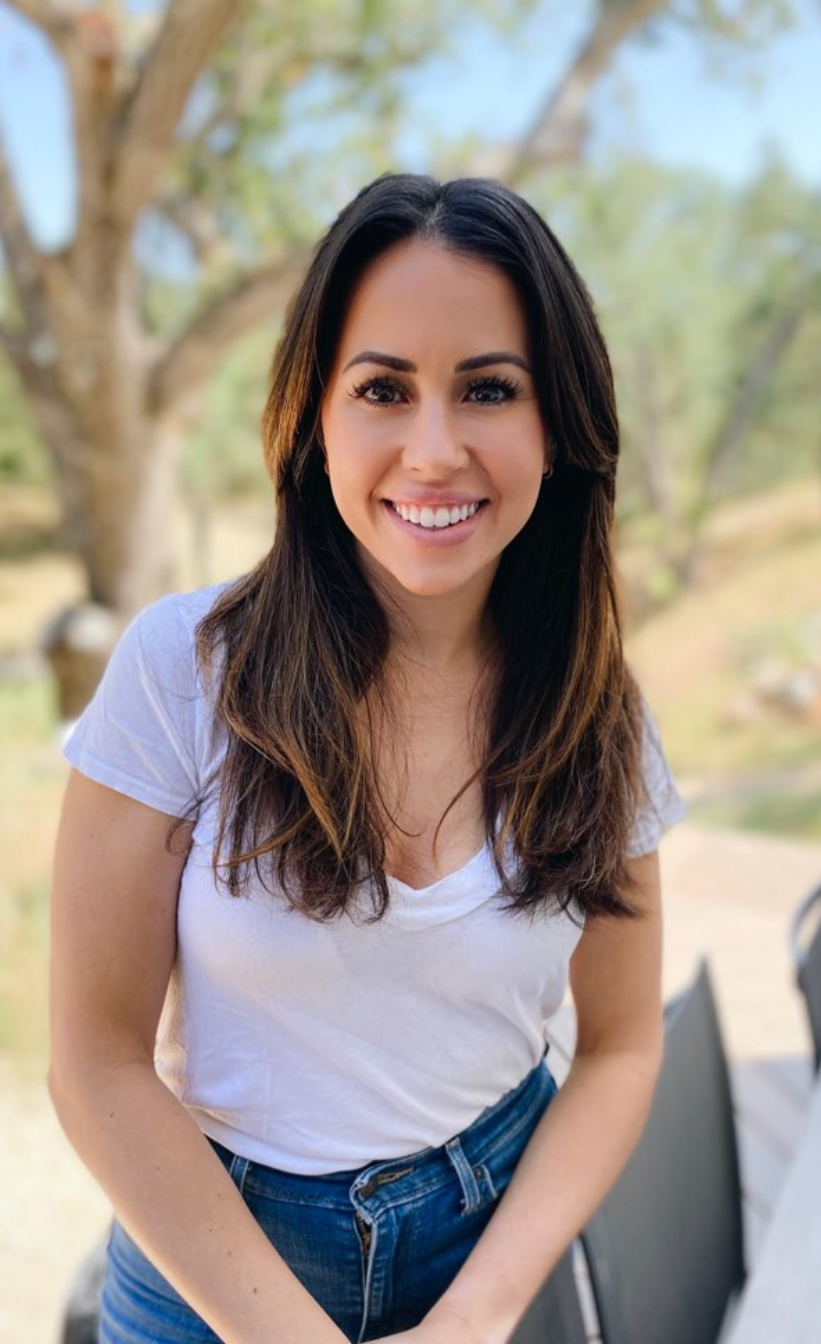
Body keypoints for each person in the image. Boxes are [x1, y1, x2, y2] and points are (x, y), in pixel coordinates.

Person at [49, 173, 684, 1344]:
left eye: (487, 389)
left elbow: (620, 1047)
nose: (432, 451)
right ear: (314, 420)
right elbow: (95, 1062)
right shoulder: (182, 671)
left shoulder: (597, 711)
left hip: (488, 1239)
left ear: (557, 425)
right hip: (212, 1265)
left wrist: (476, 1317)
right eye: (382, 389)